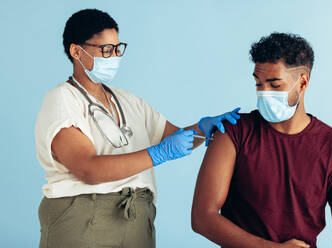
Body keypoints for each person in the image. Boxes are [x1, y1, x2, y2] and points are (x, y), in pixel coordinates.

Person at [35, 9, 240, 248]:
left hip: (136, 219)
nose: (114, 57)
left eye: (117, 48)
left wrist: (204, 128)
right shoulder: (62, 99)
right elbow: (87, 169)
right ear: (76, 51)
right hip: (85, 218)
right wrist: (157, 154)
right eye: (106, 50)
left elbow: (174, 137)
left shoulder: (127, 100)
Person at [191, 32, 332, 248]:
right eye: (259, 84)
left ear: (302, 83)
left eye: (274, 85)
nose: (264, 93)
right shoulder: (233, 132)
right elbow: (203, 218)